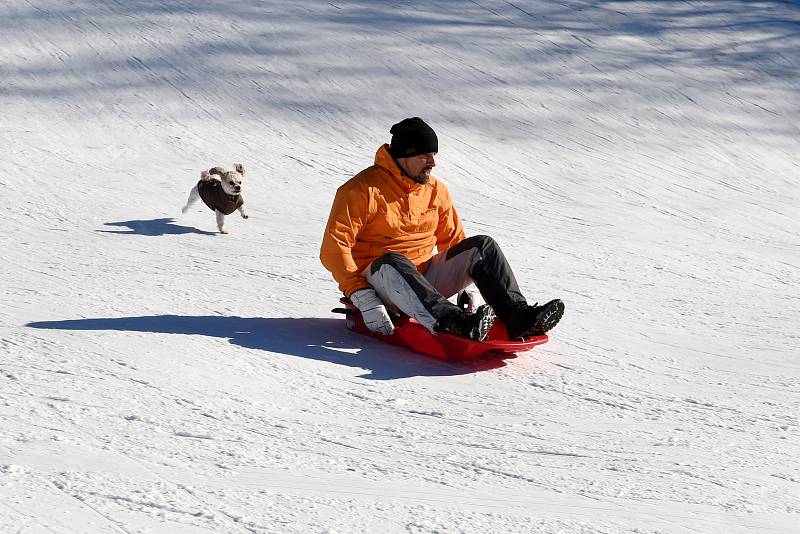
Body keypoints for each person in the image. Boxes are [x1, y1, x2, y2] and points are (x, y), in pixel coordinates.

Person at [320, 117, 564, 341]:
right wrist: (361, 295)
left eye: (434, 155)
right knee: (393, 260)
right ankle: (453, 323)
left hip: (423, 282)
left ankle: (518, 316)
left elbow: (454, 242)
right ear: (404, 156)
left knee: (481, 246)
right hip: (379, 283)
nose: (433, 163)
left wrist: (465, 285)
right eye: (425, 156)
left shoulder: (436, 190)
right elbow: (334, 248)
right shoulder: (361, 190)